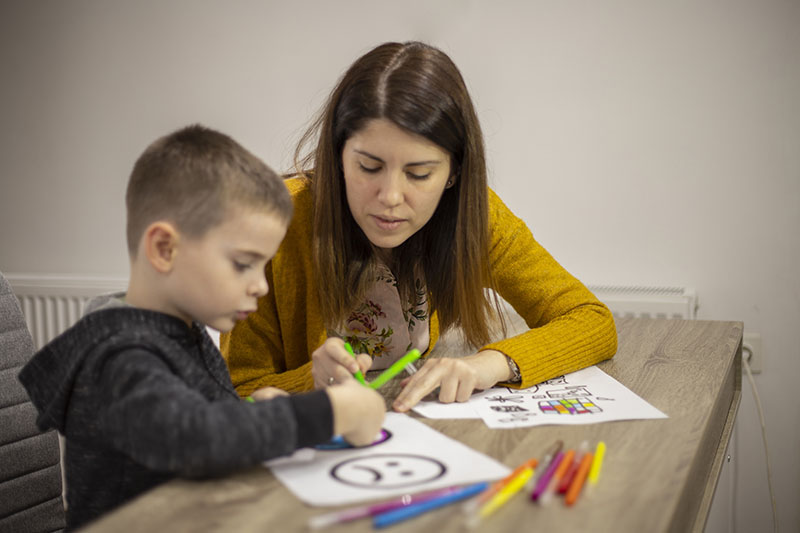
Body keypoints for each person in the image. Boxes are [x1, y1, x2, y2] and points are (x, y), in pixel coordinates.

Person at [18, 125, 385, 531]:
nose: (261, 285)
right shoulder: (121, 357)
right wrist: (333, 411)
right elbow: (196, 438)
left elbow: (189, 418)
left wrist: (250, 410)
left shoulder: (177, 333)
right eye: (244, 264)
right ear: (164, 249)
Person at [221, 41, 617, 413]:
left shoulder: (472, 216)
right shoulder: (276, 223)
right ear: (338, 156)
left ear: (453, 174)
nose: (391, 196)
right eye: (369, 167)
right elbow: (235, 392)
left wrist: (490, 364)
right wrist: (313, 381)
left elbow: (590, 319)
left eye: (419, 173)